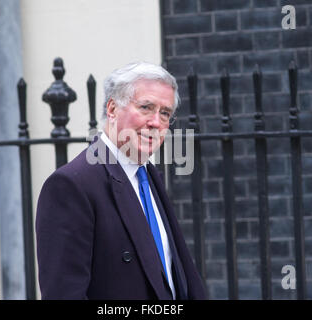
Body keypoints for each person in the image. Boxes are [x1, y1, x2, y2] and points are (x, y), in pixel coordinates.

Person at [35, 62, 206, 300]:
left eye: (165, 113)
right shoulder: (71, 185)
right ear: (113, 109)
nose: (156, 122)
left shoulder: (148, 175)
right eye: (146, 107)